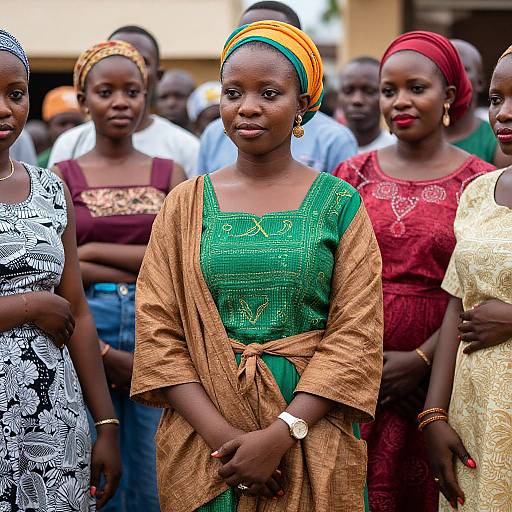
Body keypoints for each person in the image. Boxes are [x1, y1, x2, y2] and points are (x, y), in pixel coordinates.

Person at [131, 20, 383, 512]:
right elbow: (158, 331)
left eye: (269, 93)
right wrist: (227, 442)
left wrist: (280, 436)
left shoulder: (339, 204)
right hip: (203, 435)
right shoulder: (184, 205)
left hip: (311, 428)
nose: (247, 107)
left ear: (303, 104)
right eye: (233, 92)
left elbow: (357, 334)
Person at [333, 31, 495, 512]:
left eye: (416, 88)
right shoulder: (350, 174)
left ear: (448, 96)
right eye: (389, 90)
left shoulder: (481, 184)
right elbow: (332, 275)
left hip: (448, 369)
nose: (400, 101)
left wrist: (421, 361)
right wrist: (364, 359)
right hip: (358, 371)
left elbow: (477, 287)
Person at [52, 40, 186, 512]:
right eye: (105, 92)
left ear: (145, 96)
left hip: (157, 324)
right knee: (92, 465)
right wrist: (102, 350)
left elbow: (176, 261)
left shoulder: (172, 173)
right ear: (83, 99)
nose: (120, 102)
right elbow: (57, 268)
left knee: (154, 472)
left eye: (132, 91)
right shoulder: (60, 176)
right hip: (87, 326)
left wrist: (88, 252)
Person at [0, 29, 121, 510]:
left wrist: (106, 424)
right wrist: (27, 306)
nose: (5, 109)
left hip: (52, 420)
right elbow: (49, 306)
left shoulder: (50, 189)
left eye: (15, 94)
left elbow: (79, 313)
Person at [422, 44, 512, 512]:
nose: (504, 113)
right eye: (496, 99)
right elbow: (457, 304)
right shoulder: (479, 192)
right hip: (474, 410)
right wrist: (434, 415)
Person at [196, 1, 357, 174]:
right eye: (233, 93)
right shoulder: (212, 137)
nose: (260, 44)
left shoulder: (333, 140)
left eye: (269, 93)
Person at [48, 26, 199, 177]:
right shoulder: (70, 144)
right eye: (116, 57)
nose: (129, 66)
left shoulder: (186, 148)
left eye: (141, 61)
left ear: (158, 75)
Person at [447, 39, 512, 167]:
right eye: (495, 100)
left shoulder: (494, 142)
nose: (503, 114)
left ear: (481, 82)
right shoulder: (408, 140)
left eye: (463, 69)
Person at [338, 57, 396, 152]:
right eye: (348, 91)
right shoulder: (325, 150)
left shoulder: (397, 152)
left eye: (369, 91)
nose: (357, 100)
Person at [38, 86, 84, 168]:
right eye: (63, 123)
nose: (70, 130)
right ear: (48, 127)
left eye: (77, 124)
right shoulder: (39, 166)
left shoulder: (97, 161)